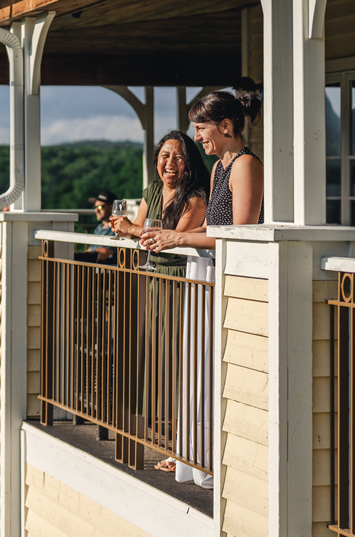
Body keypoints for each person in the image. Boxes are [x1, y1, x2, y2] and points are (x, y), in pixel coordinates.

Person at [141, 90, 264, 488]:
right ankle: (192, 457)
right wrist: (171, 235)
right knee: (195, 367)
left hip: (223, 278)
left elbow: (240, 234)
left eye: (201, 128)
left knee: (210, 368)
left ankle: (208, 459)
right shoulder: (219, 169)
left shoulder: (246, 166)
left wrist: (179, 240)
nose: (197, 138)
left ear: (226, 126)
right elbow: (212, 229)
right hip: (202, 272)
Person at [110, 131, 208, 276]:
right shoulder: (153, 190)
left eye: (179, 157)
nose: (170, 163)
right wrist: (125, 229)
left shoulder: (196, 196)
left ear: (189, 163)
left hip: (181, 274)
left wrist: (131, 229)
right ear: (157, 161)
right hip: (153, 270)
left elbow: (176, 237)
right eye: (165, 156)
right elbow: (138, 227)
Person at [75, 190, 117, 263]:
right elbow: (90, 249)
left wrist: (78, 257)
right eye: (95, 207)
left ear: (112, 207)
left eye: (100, 207)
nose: (96, 210)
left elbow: (102, 254)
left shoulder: (116, 229)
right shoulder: (99, 227)